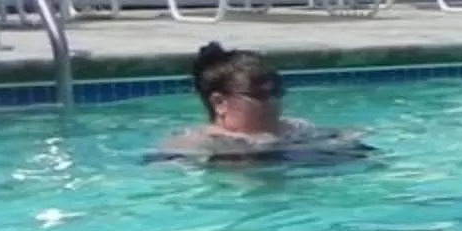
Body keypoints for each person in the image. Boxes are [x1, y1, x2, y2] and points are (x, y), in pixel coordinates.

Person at [154, 45, 371, 163]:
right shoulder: (193, 145)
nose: (274, 103)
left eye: (278, 93)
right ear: (220, 103)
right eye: (261, 96)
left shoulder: (296, 128)